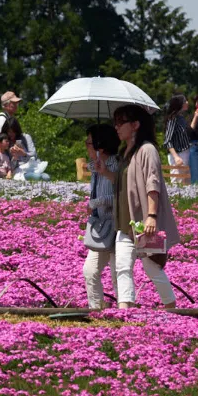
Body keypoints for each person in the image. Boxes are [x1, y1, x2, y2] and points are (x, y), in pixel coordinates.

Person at [105, 104, 180, 309]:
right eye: (115, 122)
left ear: (136, 124)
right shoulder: (125, 151)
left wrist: (152, 216)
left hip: (144, 223)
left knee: (152, 267)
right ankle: (125, 308)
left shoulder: (147, 150)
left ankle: (171, 307)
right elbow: (123, 183)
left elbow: (152, 183)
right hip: (124, 221)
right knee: (122, 266)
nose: (117, 127)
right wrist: (105, 172)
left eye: (121, 122)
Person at [82, 123, 120, 309]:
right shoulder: (94, 168)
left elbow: (120, 196)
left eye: (89, 143)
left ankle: (125, 313)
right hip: (101, 226)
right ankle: (96, 310)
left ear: (100, 147)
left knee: (117, 274)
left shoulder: (117, 165)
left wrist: (95, 203)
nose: (86, 146)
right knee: (90, 271)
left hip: (118, 226)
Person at [162, 95, 190, 184]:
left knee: (187, 183)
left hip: (186, 152)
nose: (187, 102)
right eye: (185, 101)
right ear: (180, 104)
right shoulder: (173, 119)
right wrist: (176, 157)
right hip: (178, 155)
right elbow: (168, 140)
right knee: (177, 182)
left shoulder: (182, 118)